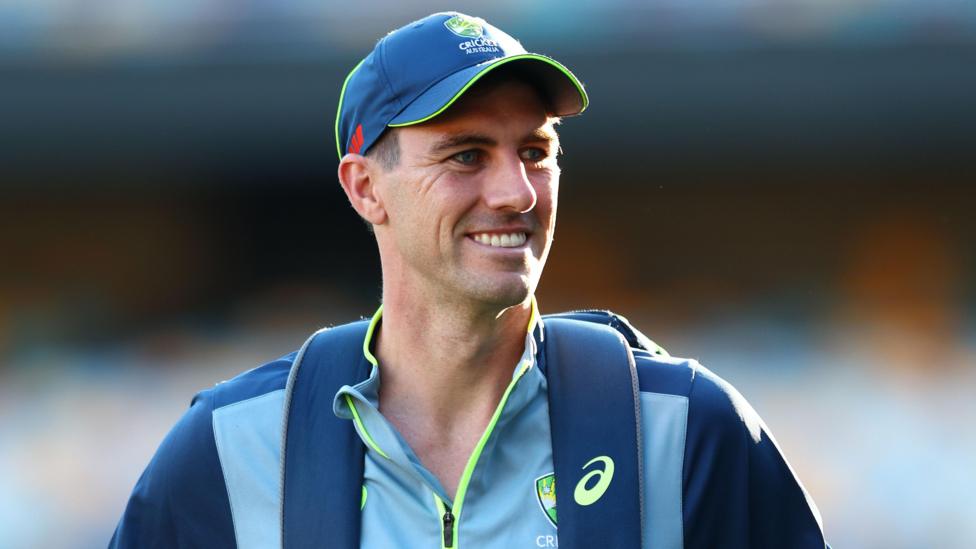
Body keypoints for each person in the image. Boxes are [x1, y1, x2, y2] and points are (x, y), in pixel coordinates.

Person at [110, 12, 828, 549]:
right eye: (466, 155)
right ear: (365, 188)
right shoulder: (231, 448)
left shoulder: (686, 430)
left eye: (536, 151)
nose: (517, 192)